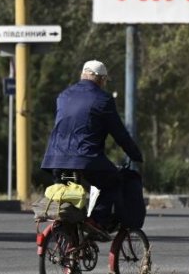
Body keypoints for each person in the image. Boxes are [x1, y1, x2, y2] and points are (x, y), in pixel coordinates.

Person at [41, 60, 144, 241]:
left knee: (69, 193)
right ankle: (96, 221)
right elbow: (119, 133)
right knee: (113, 182)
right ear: (101, 79)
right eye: (105, 81)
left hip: (56, 160)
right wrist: (135, 154)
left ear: (83, 75)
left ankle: (70, 247)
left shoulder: (63, 96)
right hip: (86, 159)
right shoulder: (103, 99)